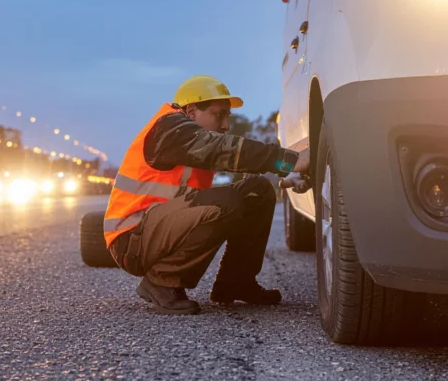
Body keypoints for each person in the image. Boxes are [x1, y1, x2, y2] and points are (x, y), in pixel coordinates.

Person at [103, 75, 310, 315]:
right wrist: (290, 161)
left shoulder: (191, 139)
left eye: (227, 116)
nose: (225, 125)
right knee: (226, 204)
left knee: (258, 191)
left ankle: (236, 283)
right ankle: (161, 283)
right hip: (131, 239)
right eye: (218, 114)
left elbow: (234, 161)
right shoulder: (170, 129)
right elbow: (223, 149)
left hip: (159, 227)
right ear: (191, 111)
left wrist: (285, 174)